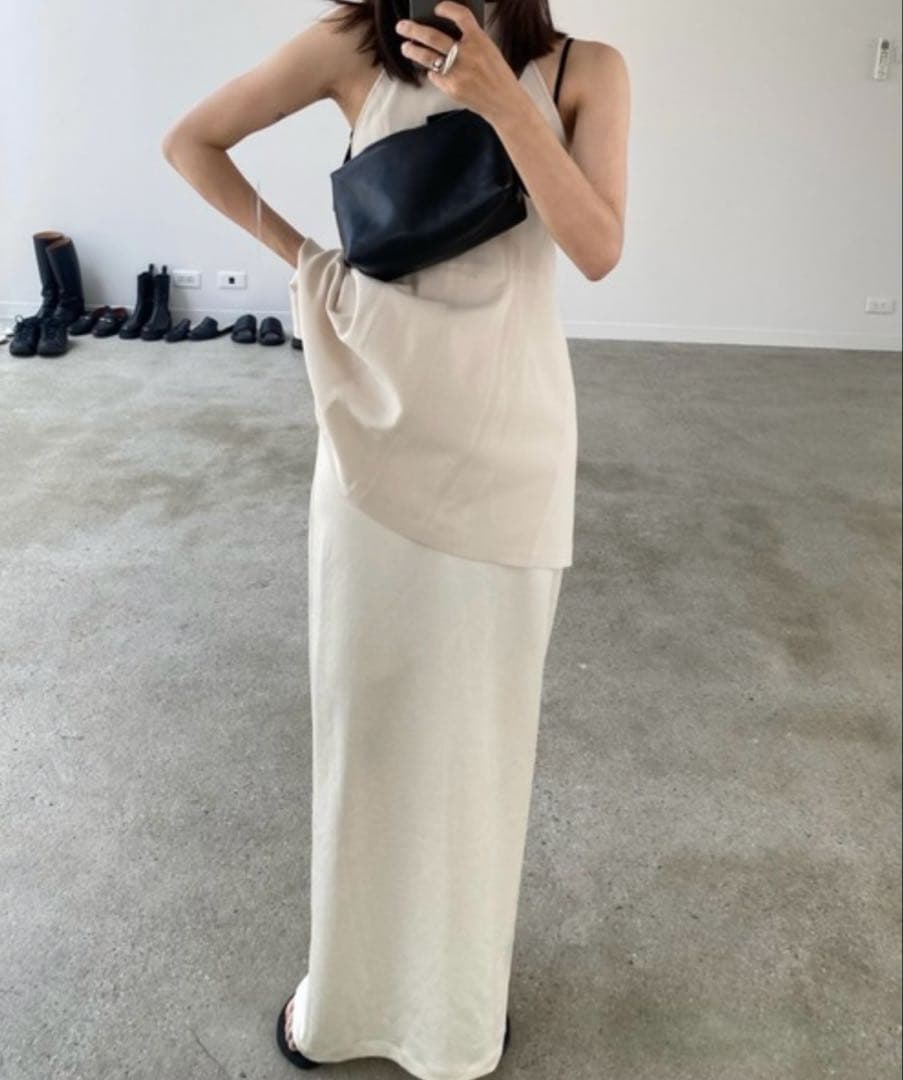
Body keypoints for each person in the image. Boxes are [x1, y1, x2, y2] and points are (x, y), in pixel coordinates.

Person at [161, 2, 630, 1077]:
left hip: (508, 447)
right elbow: (192, 141)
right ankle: (351, 1002)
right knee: (365, 732)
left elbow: (598, 249)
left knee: (480, 745)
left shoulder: (587, 70)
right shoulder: (352, 45)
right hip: (371, 435)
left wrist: (506, 102)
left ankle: (454, 1014)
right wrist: (306, 260)